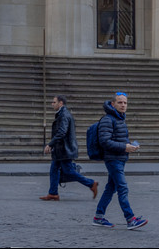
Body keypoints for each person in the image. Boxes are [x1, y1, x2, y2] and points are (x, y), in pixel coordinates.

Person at [93, 92, 147, 230]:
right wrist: (125, 147)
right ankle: (130, 219)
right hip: (113, 159)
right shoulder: (107, 119)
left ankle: (98, 217)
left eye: (125, 103)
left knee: (111, 188)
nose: (123, 105)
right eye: (120, 102)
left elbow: (119, 138)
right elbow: (105, 141)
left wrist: (130, 146)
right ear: (113, 104)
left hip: (120, 158)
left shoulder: (120, 119)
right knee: (123, 188)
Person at [41, 94, 98, 201]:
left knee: (69, 171)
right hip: (61, 150)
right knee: (54, 169)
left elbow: (62, 132)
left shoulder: (64, 115)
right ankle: (53, 193)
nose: (52, 104)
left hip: (64, 150)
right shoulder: (61, 114)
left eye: (54, 102)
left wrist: (50, 144)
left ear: (60, 103)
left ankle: (91, 183)